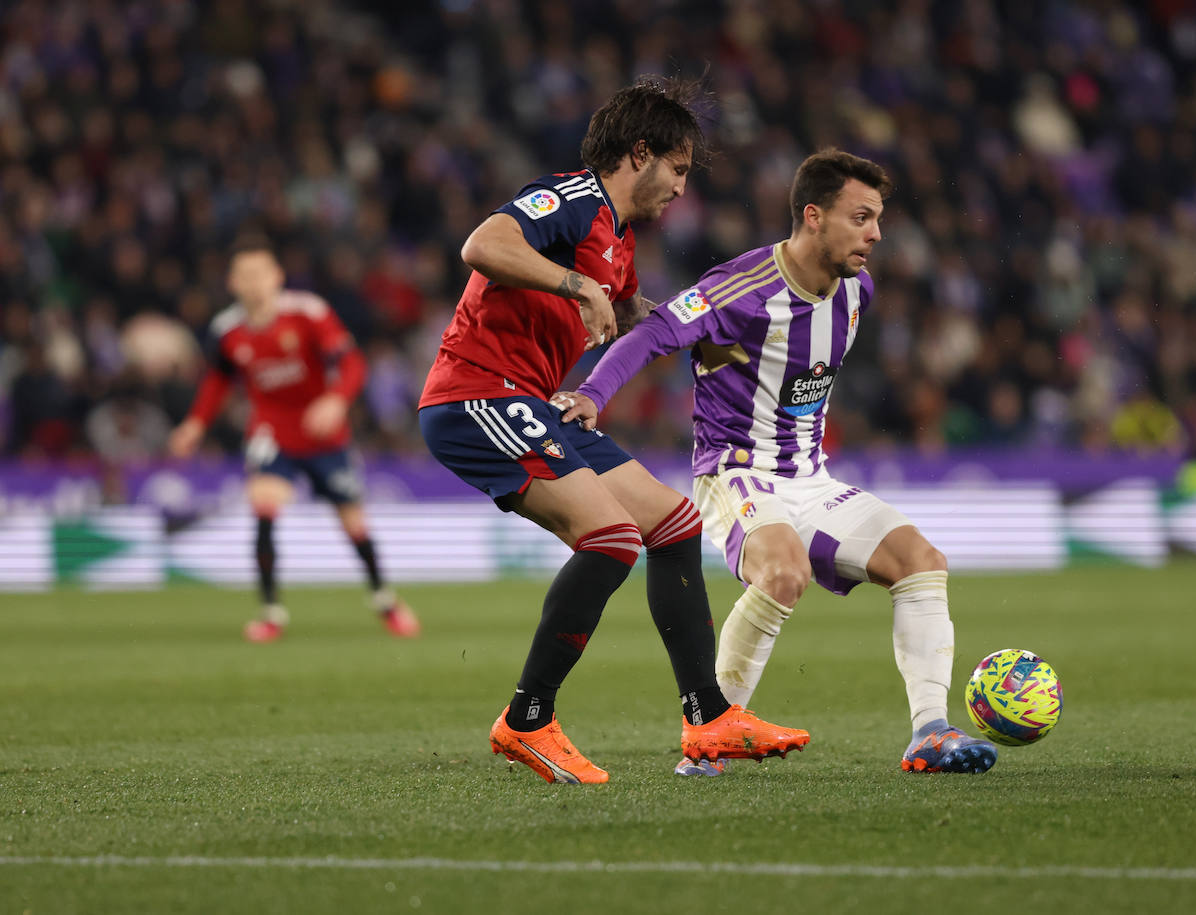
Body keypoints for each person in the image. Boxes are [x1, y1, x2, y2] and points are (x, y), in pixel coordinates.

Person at [417, 77, 809, 785]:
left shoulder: (619, 241)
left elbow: (633, 316)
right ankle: (528, 718)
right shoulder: (572, 198)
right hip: (477, 393)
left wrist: (708, 333)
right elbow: (483, 243)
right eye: (680, 169)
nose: (683, 189)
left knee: (674, 524)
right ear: (640, 153)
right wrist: (576, 286)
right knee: (611, 538)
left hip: (535, 402)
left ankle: (709, 715)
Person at [561, 149, 998, 776]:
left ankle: (930, 732)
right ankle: (709, 737)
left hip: (810, 479)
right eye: (861, 217)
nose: (876, 234)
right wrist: (592, 396)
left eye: (878, 219)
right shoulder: (740, 289)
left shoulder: (856, 290)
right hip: (734, 472)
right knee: (784, 570)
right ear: (813, 217)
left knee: (921, 564)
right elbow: (653, 333)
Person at [168, 236, 419, 643]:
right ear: (231, 282)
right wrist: (195, 424)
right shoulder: (227, 331)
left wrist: (336, 401)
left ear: (277, 277)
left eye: (260, 273)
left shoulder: (308, 314)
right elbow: (217, 380)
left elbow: (352, 363)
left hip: (324, 434)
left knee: (353, 523)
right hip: (271, 432)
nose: (253, 282)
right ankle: (270, 612)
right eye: (244, 275)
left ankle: (384, 600)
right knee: (264, 509)